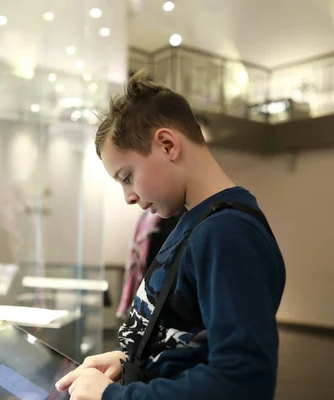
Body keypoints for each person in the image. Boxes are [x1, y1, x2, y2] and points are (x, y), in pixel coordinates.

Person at [55, 70, 286, 400]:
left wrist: (114, 397)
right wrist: (130, 359)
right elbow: (188, 340)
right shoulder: (198, 222)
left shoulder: (227, 232)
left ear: (167, 144)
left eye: (128, 176)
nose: (129, 197)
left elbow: (242, 381)